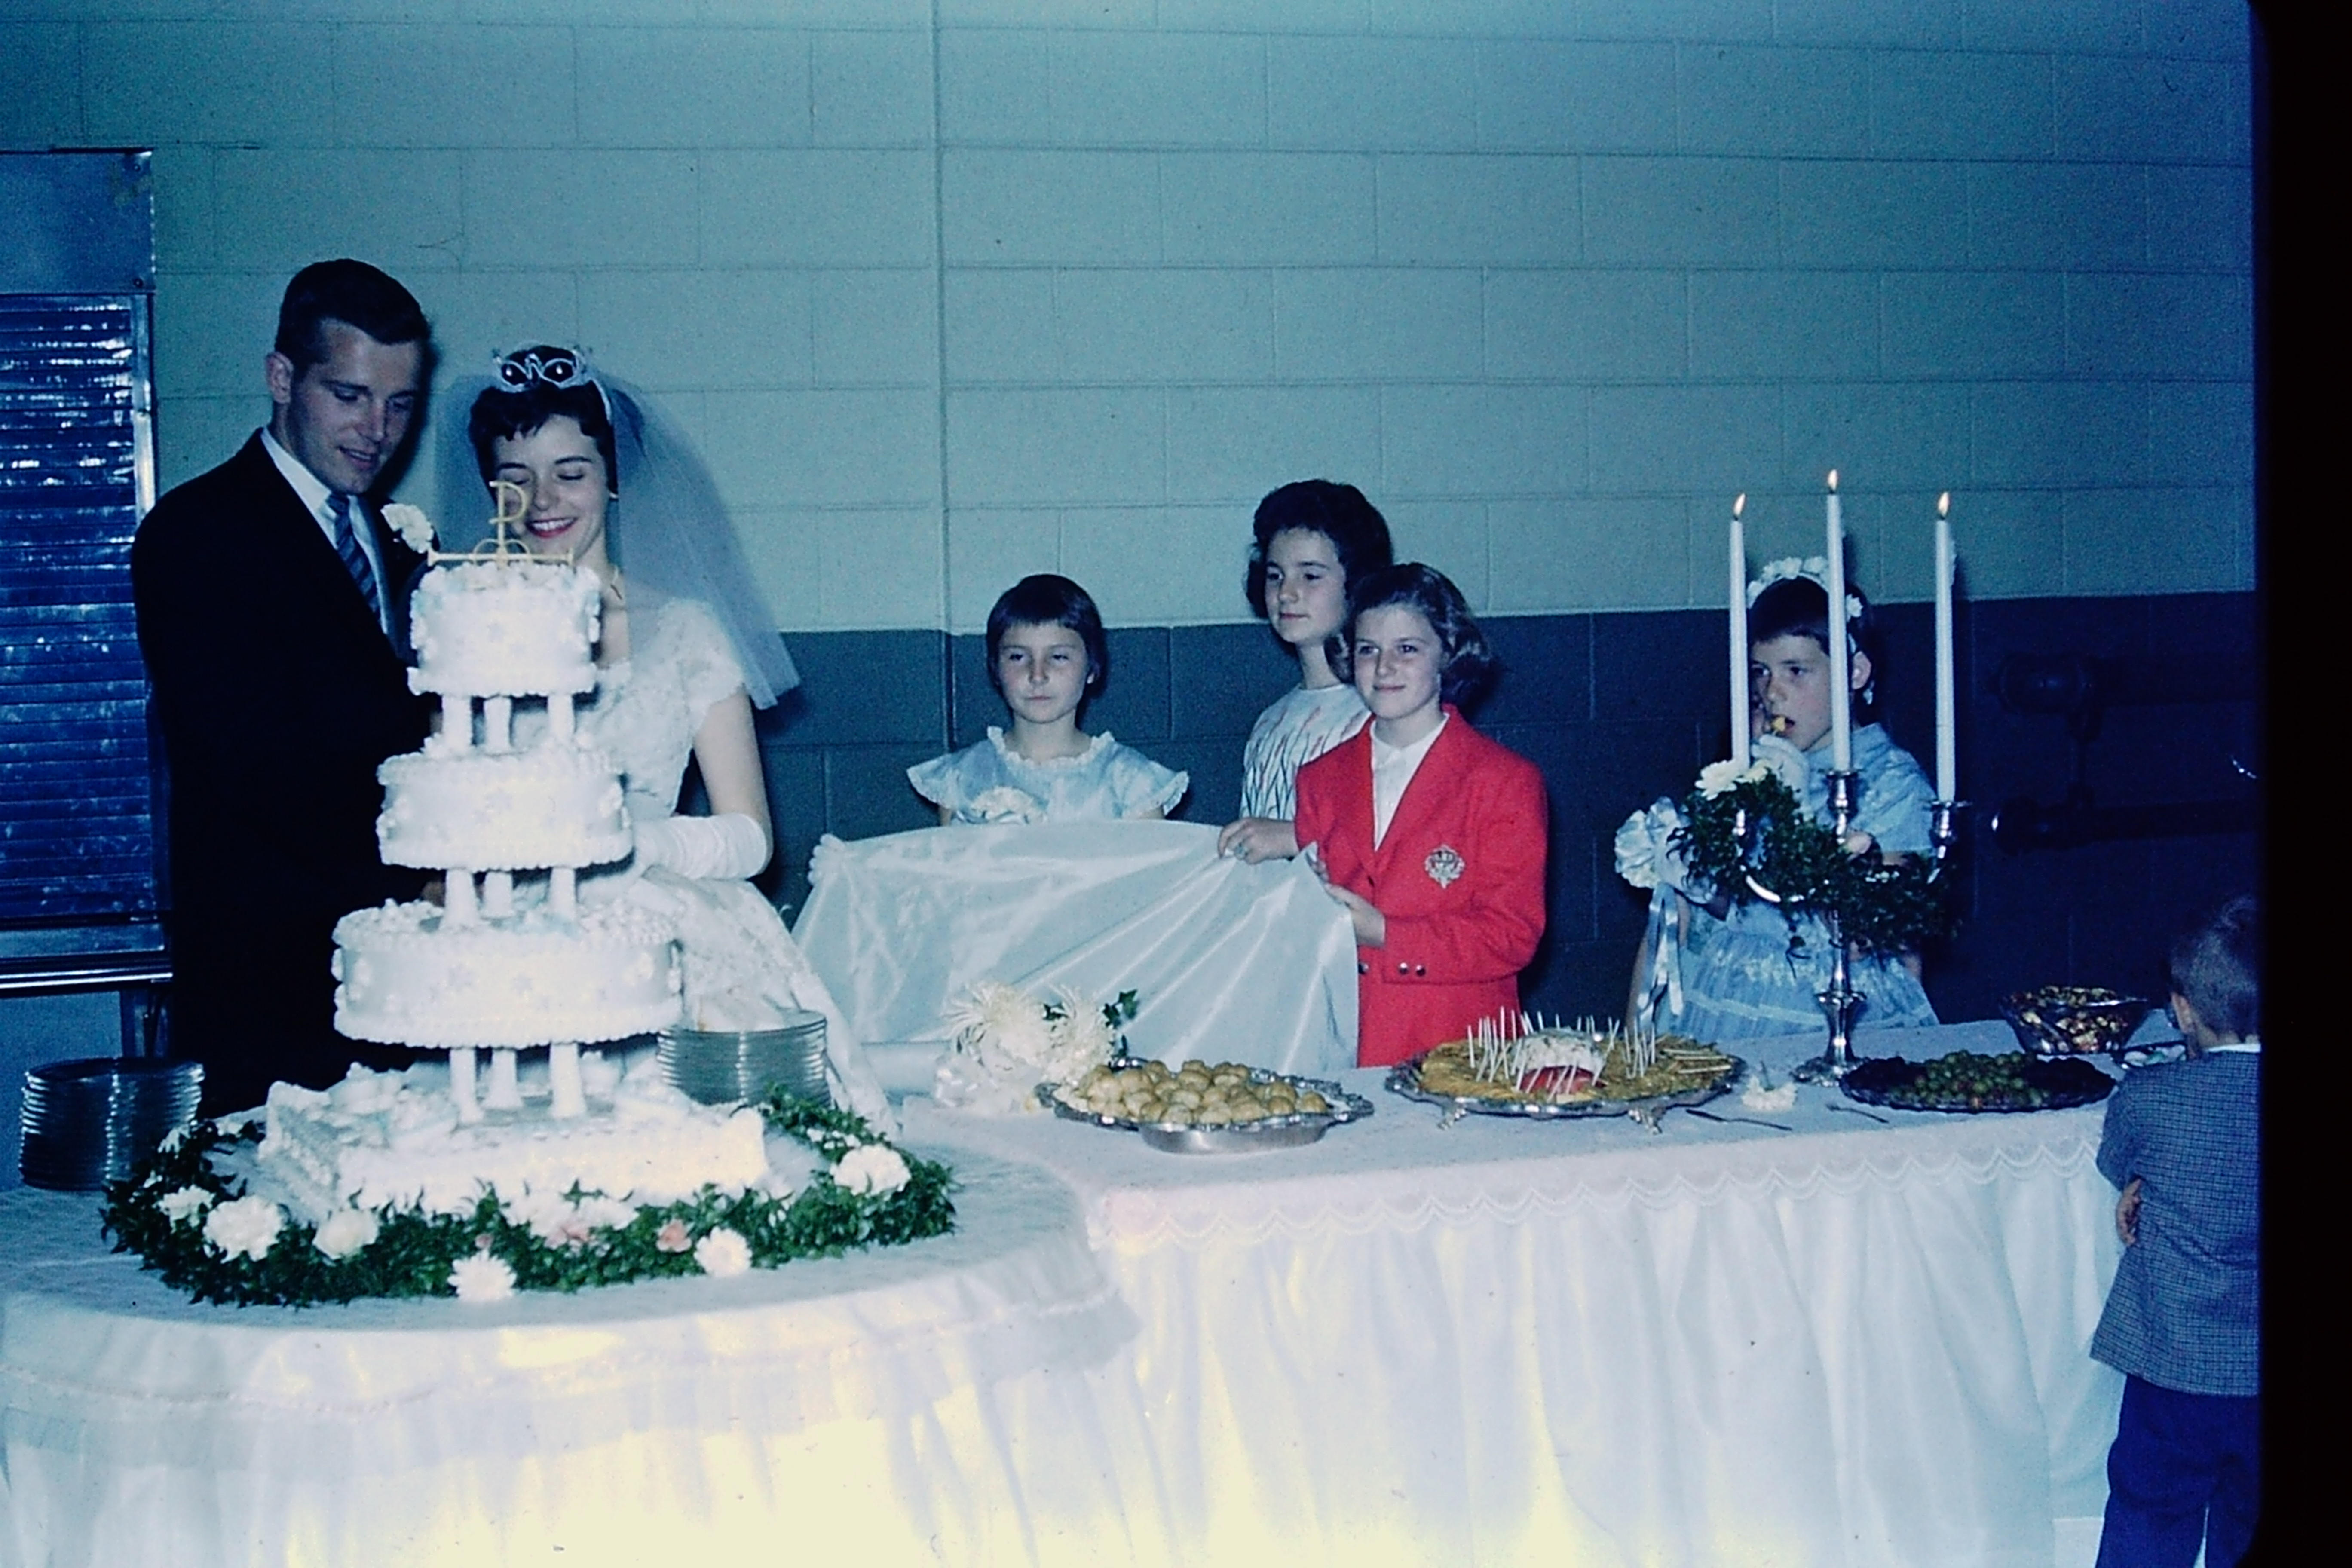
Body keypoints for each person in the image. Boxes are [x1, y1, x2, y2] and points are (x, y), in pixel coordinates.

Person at [450, 346, 889, 1126]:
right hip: (513, 942)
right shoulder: (466, 633)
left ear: (613, 477)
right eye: (516, 478)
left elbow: (751, 839)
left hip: (663, 921)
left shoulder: (685, 631)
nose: (543, 501)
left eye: (570, 473)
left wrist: (633, 845)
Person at [133, 260, 434, 1115]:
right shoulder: (197, 534)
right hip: (269, 1000)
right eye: (349, 396)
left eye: (400, 403)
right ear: (281, 378)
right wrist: (424, 883)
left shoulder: (393, 538)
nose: (378, 430)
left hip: (404, 992)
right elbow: (257, 769)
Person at [1615, 563, 1939, 1040]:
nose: (1772, 692)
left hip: (1830, 1015)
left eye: (1796, 671)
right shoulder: (1751, 771)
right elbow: (1678, 930)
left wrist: (1797, 818)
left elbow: (1867, 936)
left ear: (1854, 672)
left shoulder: (1892, 784)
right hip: (1725, 1003)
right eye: (1761, 672)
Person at [1292, 564, 1547, 1067]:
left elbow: (1512, 936)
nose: (1384, 668)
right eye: (1368, 650)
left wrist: (1386, 934)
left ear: (1448, 654)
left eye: (1407, 649)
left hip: (1461, 1050)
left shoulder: (1504, 782)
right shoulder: (1319, 778)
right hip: (1346, 1043)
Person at [2092, 896, 2260, 1568]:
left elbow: (2118, 1160)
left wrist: (2140, 1183)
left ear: (2184, 1010)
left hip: (2176, 1364)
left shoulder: (2151, 1097)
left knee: (2149, 1510)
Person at [908, 574, 1188, 825]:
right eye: (1018, 657)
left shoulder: (1132, 784)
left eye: (1059, 657)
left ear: (1092, 668)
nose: (1037, 675)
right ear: (995, 669)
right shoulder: (960, 779)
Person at [1218, 479, 1394, 864]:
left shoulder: (1381, 717)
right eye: (1275, 575)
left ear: (1357, 582)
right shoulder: (1270, 722)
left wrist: (1297, 837)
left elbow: (1397, 844)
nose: (1286, 593)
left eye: (1310, 576)